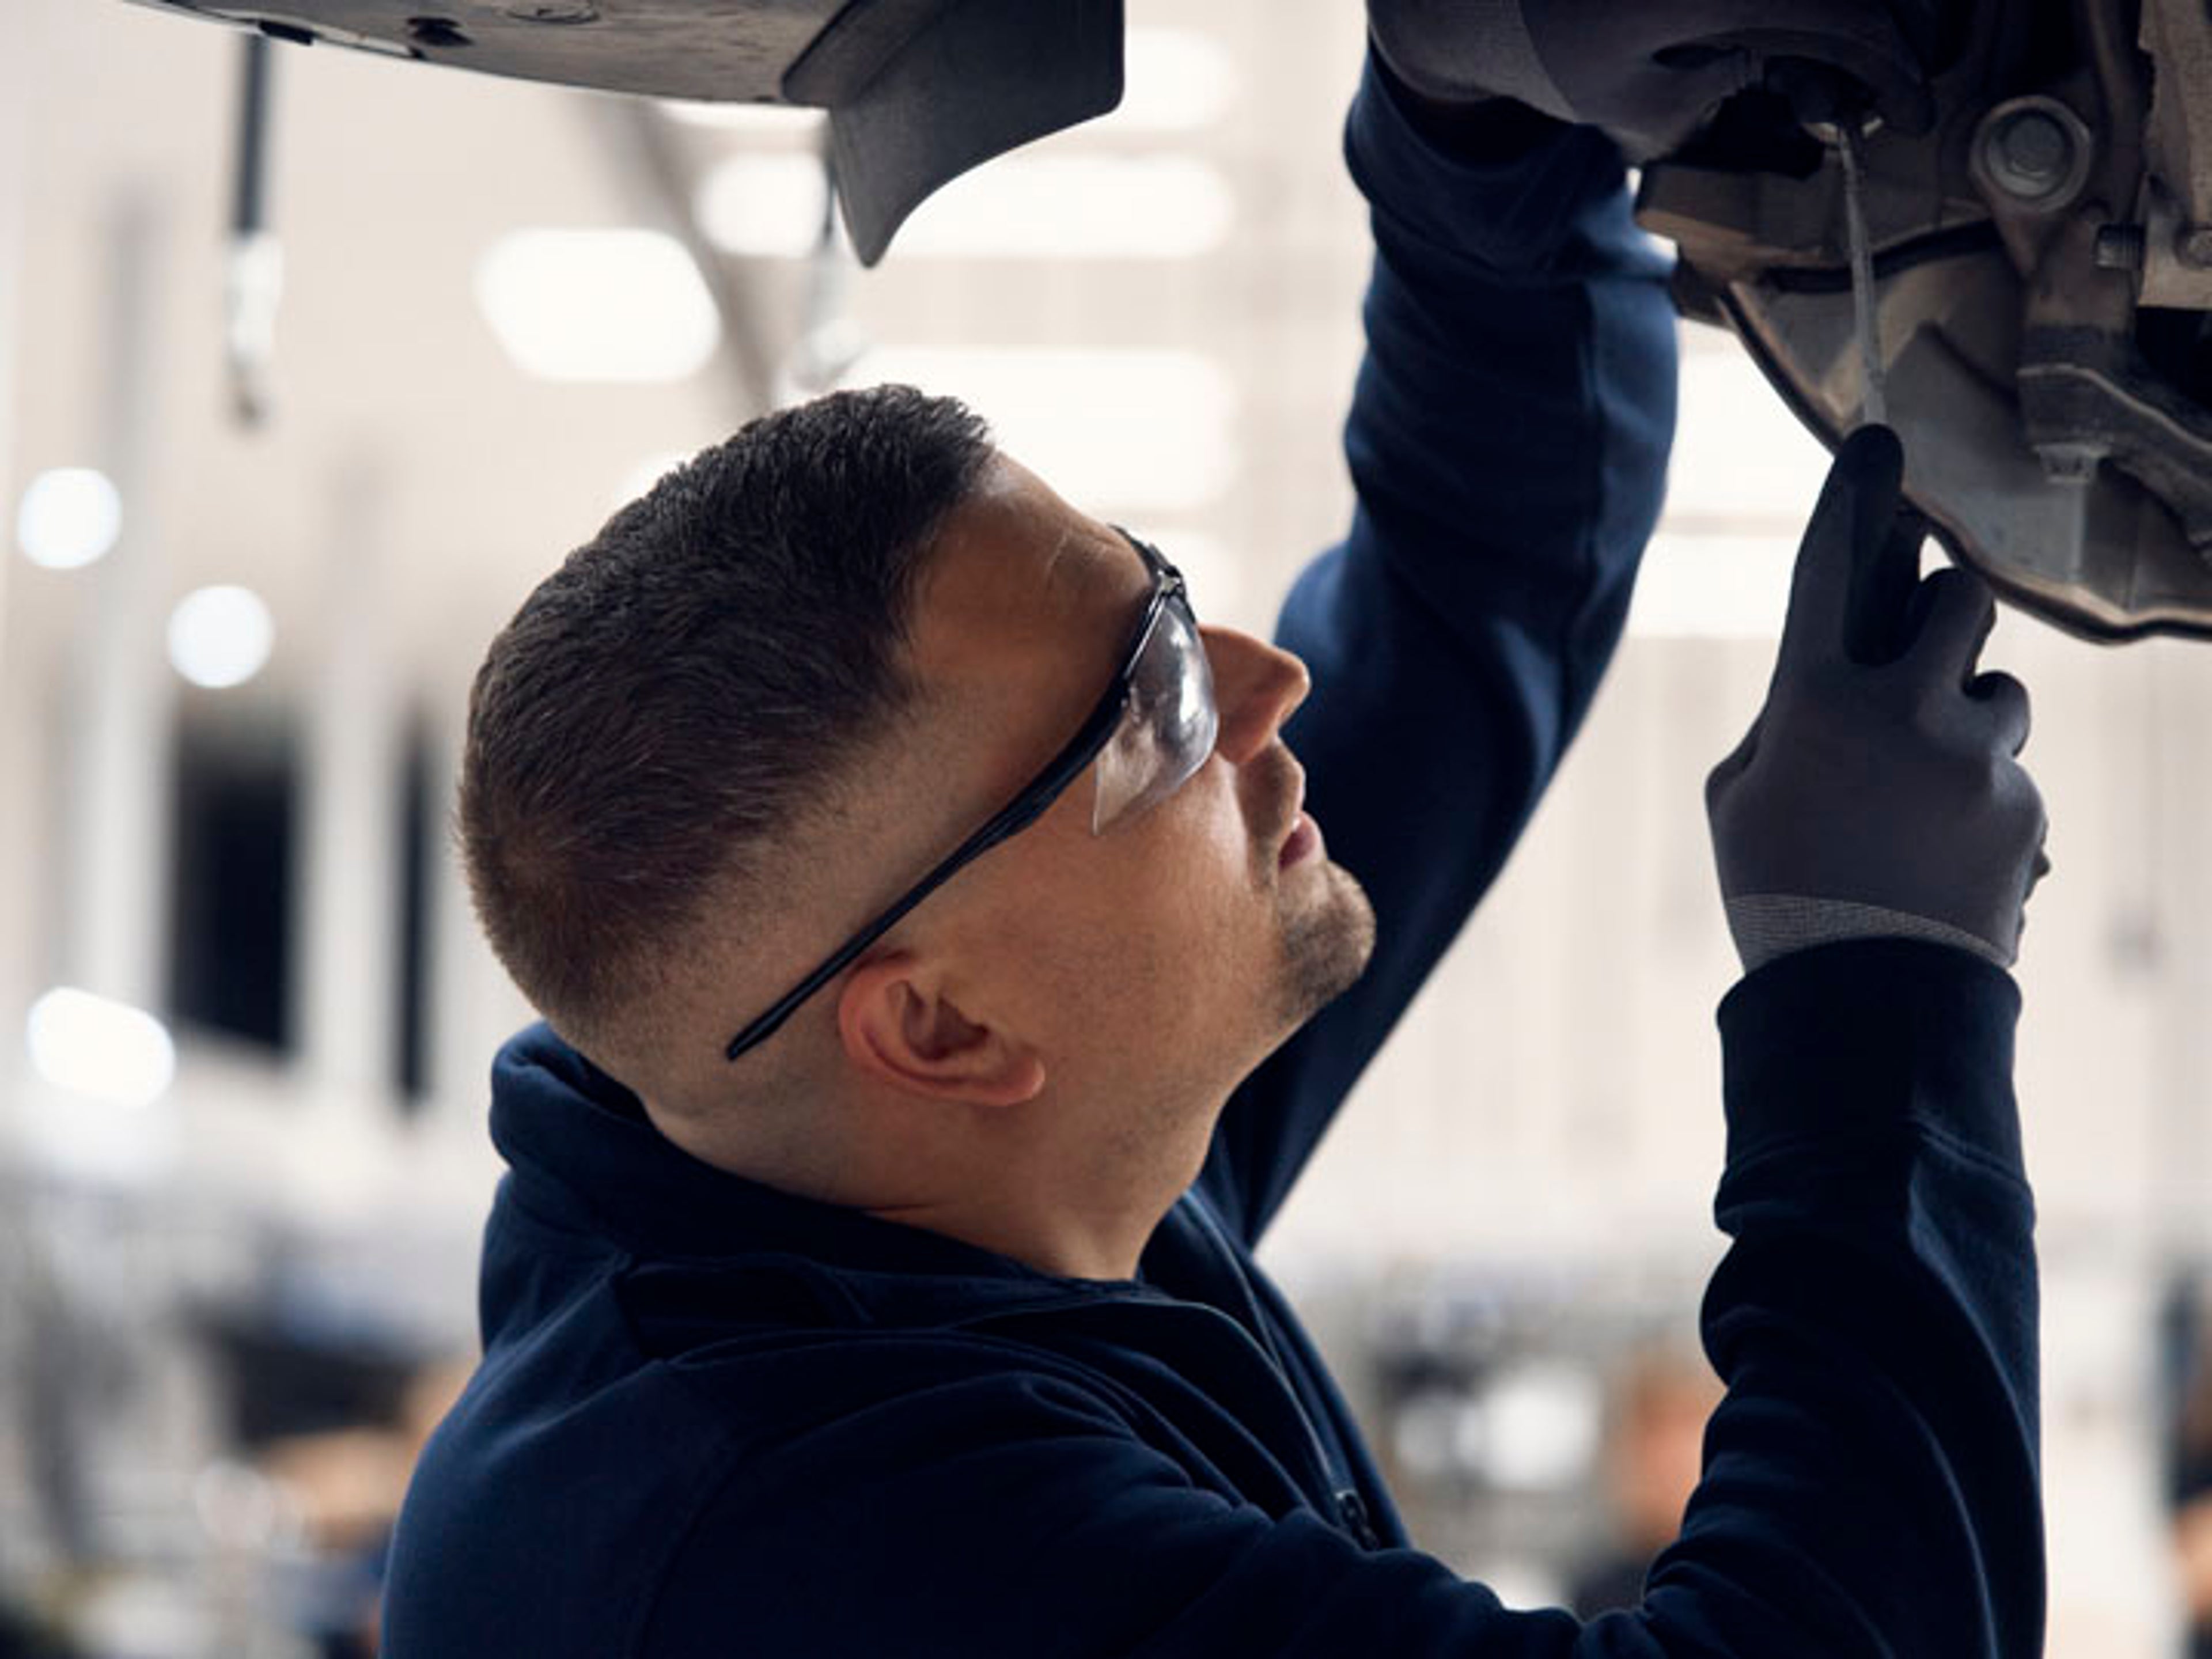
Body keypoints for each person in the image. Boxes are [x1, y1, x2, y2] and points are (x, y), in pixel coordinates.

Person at [382, 31, 2050, 1659]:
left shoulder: (928, 1163)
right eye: (1153, 714)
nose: (1269, 685)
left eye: (1162, 603)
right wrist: (1879, 996)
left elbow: (1461, 596)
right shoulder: (824, 1552)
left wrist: (1473, 124)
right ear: (944, 1028)